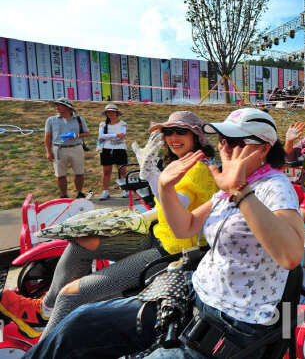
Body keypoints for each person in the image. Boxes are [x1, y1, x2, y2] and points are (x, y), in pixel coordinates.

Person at [23, 108, 304, 359]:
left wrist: (239, 191)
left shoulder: (272, 187)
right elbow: (186, 227)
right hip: (192, 299)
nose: (226, 148)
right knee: (79, 322)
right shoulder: (230, 183)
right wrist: (166, 188)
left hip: (228, 324)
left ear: (264, 148)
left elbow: (290, 256)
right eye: (223, 141)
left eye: (236, 142)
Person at [0, 111, 218, 340]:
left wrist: (153, 175)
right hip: (158, 234)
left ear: (197, 136)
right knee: (81, 243)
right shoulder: (182, 162)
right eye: (168, 131)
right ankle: (45, 309)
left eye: (181, 131)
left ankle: (43, 347)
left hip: (172, 251)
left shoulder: (197, 168)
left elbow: (175, 205)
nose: (173, 136)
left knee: (71, 294)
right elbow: (166, 206)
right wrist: (145, 202)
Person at [43, 97, 91, 199]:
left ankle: (79, 193)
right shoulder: (51, 120)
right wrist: (48, 152)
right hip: (58, 149)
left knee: (79, 172)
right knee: (60, 174)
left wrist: (77, 136)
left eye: (60, 105)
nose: (57, 107)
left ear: (68, 107)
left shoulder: (79, 119)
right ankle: (64, 194)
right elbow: (47, 137)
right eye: (56, 105)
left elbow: (87, 133)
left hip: (76, 148)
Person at [97, 104, 129, 200]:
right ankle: (105, 191)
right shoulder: (103, 124)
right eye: (108, 112)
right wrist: (115, 134)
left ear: (116, 113)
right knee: (106, 171)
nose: (110, 114)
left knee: (122, 169)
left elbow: (122, 135)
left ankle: (125, 189)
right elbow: (101, 135)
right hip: (106, 149)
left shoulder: (123, 123)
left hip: (120, 148)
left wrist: (109, 135)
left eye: (112, 111)